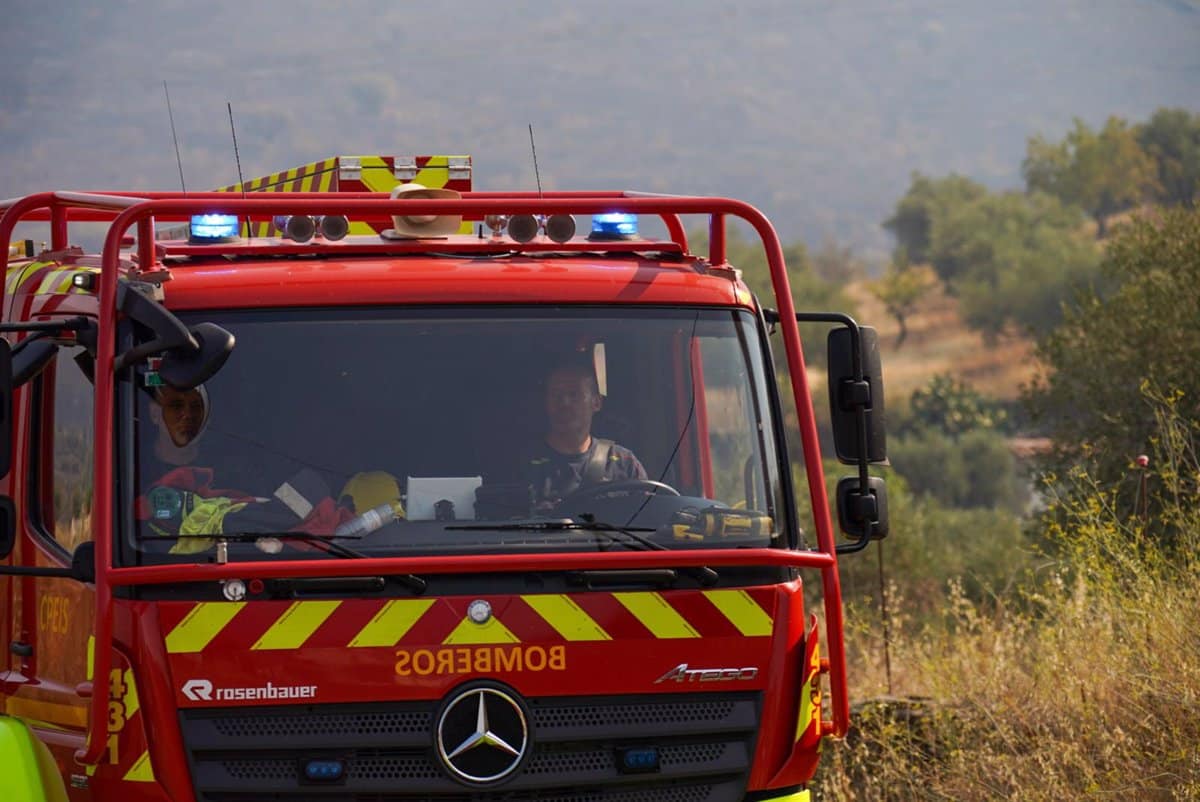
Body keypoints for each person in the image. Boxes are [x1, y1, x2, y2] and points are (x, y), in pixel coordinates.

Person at [525, 360, 647, 509]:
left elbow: (648, 517)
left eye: (574, 395)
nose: (564, 403)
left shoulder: (624, 462)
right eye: (556, 395)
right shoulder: (523, 463)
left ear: (596, 403)